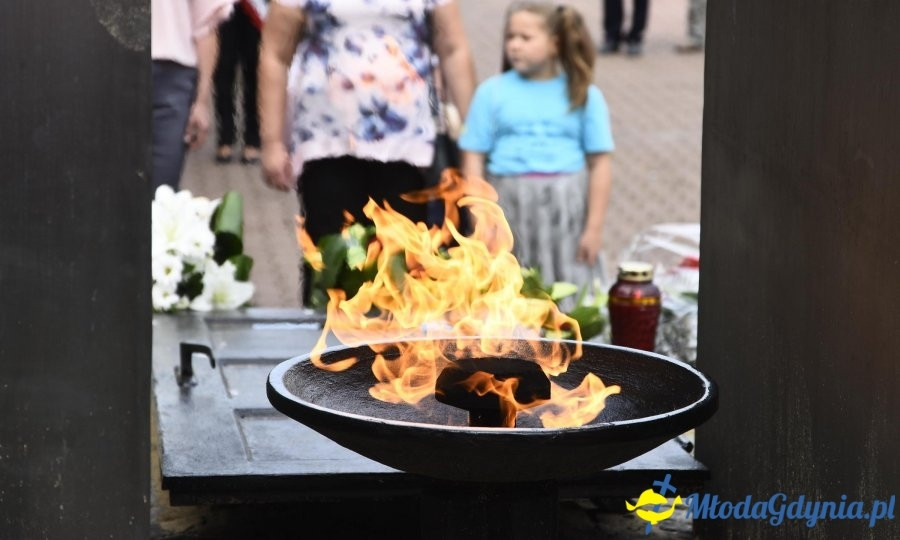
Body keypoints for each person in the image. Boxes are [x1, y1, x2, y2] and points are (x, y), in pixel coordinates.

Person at [257, 0, 476, 302]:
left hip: (406, 148)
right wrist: (272, 143)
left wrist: (475, 138)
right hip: (327, 143)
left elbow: (453, 50)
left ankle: (401, 346)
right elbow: (275, 54)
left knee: (404, 260)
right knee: (329, 254)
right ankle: (325, 342)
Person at [459, 1, 614, 289]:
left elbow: (600, 164)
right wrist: (481, 216)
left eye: (525, 38)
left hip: (566, 211)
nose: (514, 45)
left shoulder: (583, 94)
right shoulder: (491, 93)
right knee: (509, 288)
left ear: (555, 44)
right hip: (507, 205)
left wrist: (593, 229)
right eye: (510, 37)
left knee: (568, 286)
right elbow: (473, 156)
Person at [152, 0, 235, 190]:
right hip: (101, 74)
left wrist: (201, 101)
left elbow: (205, 25)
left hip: (170, 78)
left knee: (162, 194)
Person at [213, 0, 264, 164]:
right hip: (224, 7)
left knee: (254, 75)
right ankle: (225, 137)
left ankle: (252, 139)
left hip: (257, 9)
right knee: (223, 73)